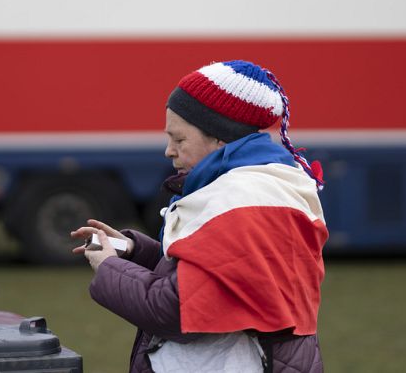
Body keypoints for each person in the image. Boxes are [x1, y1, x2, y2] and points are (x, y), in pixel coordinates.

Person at [71, 60, 328, 373]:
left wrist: (108, 265)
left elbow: (174, 309)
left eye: (179, 139)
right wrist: (132, 250)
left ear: (221, 139)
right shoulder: (259, 186)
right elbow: (206, 275)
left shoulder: (242, 201)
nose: (168, 151)